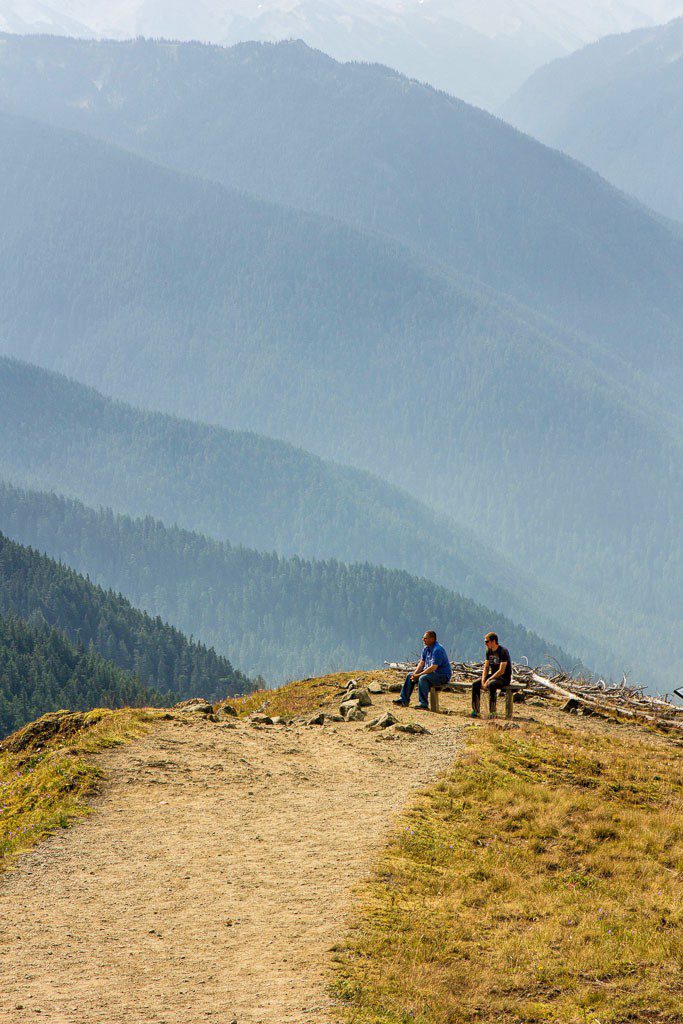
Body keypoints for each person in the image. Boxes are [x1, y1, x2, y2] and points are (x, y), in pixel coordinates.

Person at [394, 630, 451, 710]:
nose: (423, 640)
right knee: (410, 675)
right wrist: (415, 674)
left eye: (425, 638)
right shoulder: (426, 649)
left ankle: (423, 704)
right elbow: (421, 663)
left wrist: (419, 675)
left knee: (423, 678)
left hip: (442, 675)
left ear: (432, 639)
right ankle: (404, 700)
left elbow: (433, 667)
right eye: (423, 638)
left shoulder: (438, 650)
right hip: (431, 674)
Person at [471, 631, 511, 718]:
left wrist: (488, 680)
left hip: (503, 678)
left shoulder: (503, 651)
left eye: (487, 642)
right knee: (475, 684)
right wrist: (483, 680)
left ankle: (492, 712)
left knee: (491, 685)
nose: (485, 644)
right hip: (493, 676)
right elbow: (486, 667)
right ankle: (475, 710)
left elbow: (501, 670)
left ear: (493, 641)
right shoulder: (488, 651)